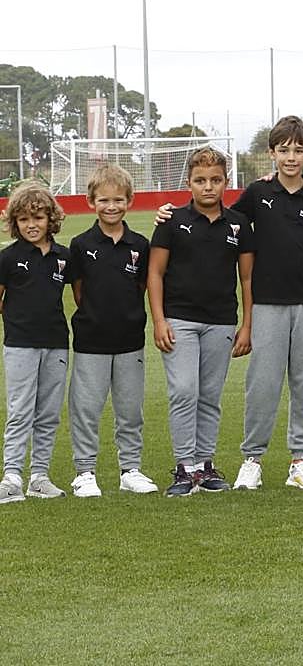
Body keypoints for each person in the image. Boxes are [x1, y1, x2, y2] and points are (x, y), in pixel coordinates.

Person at [229, 116, 303, 490]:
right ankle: (252, 460)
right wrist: (172, 214)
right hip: (267, 304)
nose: (291, 157)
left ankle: (300, 460)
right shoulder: (258, 193)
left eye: (298, 150)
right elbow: (225, 221)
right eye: (284, 150)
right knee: (263, 384)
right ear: (272, 153)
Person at [148, 147, 254, 496]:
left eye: (215, 180)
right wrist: (159, 320)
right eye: (200, 180)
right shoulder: (171, 222)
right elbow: (155, 273)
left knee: (209, 395)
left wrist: (247, 325)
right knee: (183, 391)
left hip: (221, 322)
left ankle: (205, 466)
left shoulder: (238, 224)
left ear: (226, 181)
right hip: (179, 319)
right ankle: (184, 467)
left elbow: (247, 279)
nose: (208, 187)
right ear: (189, 183)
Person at [66, 164, 158, 497]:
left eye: (118, 199)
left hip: (130, 340)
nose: (111, 206)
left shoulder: (139, 244)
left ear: (129, 201)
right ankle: (84, 472)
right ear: (92, 201)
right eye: (104, 200)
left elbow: (141, 286)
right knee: (86, 409)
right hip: (91, 341)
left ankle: (130, 469)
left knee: (130, 410)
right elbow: (78, 290)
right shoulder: (79, 244)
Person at [0, 182, 71, 503]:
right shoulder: (7, 258)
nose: (32, 225)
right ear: (14, 222)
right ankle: (12, 476)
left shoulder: (63, 256)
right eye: (25, 219)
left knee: (48, 413)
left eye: (39, 218)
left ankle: (39, 476)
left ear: (50, 219)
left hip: (56, 343)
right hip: (20, 345)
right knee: (20, 411)